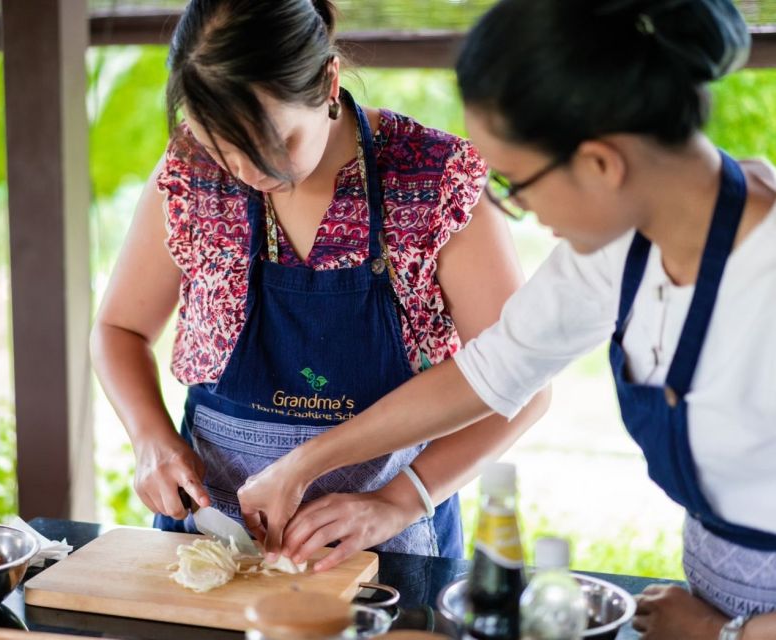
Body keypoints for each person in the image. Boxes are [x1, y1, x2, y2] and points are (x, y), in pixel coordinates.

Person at [236, 0, 776, 638]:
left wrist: (727, 634)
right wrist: (305, 464)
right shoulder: (622, 249)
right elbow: (490, 371)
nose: (507, 204)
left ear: (602, 164)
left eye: (515, 183)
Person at [91, 0, 547, 562]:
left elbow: (524, 386)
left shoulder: (434, 181)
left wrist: (399, 501)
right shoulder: (191, 172)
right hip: (210, 544)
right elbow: (119, 329)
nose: (249, 174)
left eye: (274, 145)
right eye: (220, 148)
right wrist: (150, 438)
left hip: (383, 551)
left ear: (329, 81)